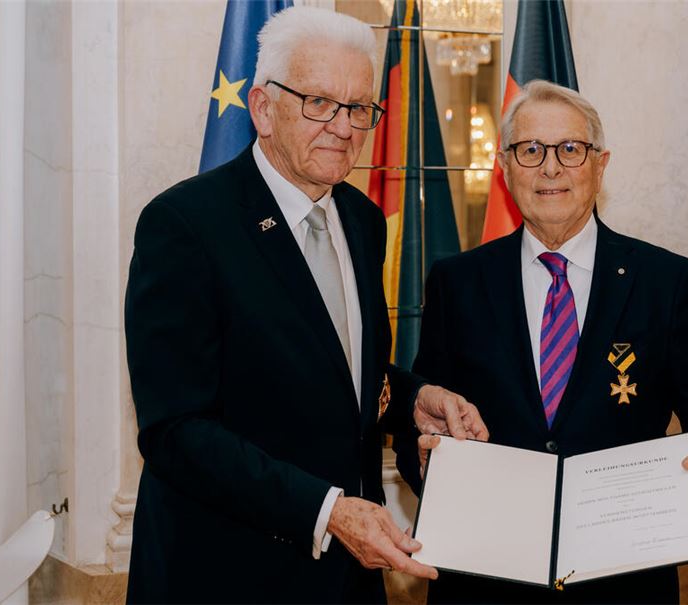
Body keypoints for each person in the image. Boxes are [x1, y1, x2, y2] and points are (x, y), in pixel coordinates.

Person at [123, 7, 486, 604]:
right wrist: (329, 512)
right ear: (263, 108)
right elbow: (176, 430)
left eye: (361, 108)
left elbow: (339, 371)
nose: (345, 128)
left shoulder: (364, 222)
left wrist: (414, 400)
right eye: (320, 103)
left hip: (346, 582)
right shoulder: (185, 225)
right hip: (226, 575)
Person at [396, 80, 688, 604]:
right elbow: (422, 414)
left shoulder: (665, 281)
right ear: (504, 165)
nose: (550, 168)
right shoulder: (457, 282)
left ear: (600, 163)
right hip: (485, 582)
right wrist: (423, 460)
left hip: (623, 585)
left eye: (570, 149)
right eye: (530, 150)